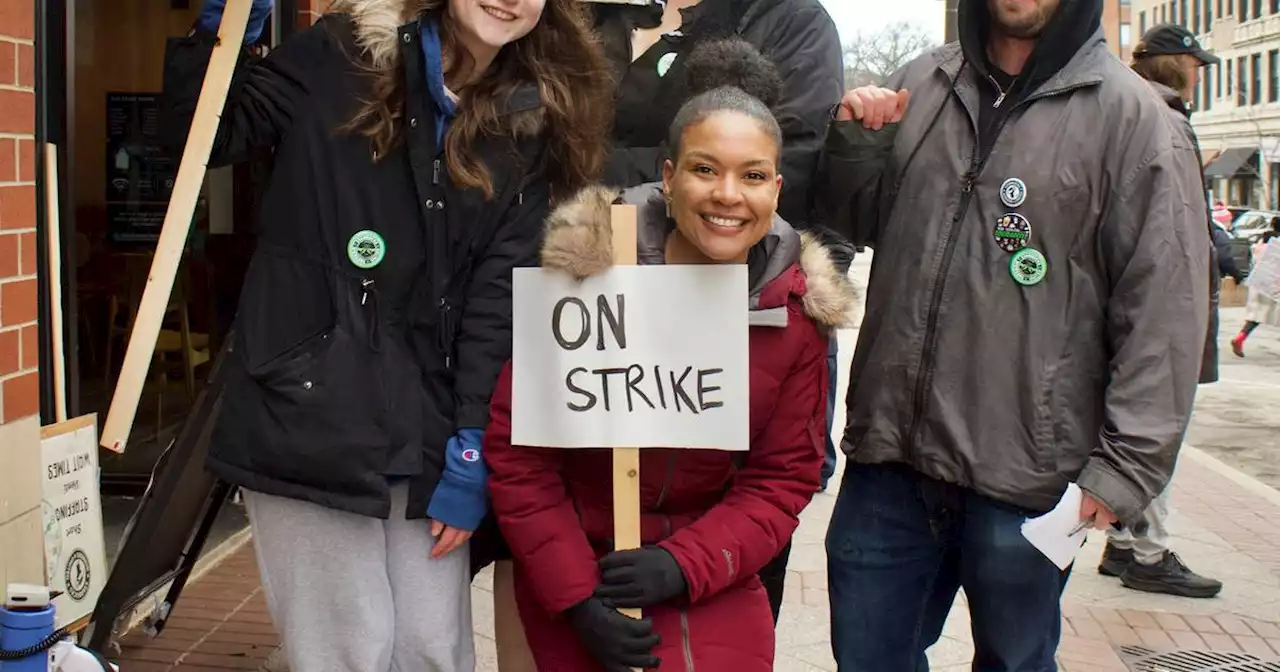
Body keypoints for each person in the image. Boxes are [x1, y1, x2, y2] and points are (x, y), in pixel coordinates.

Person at [159, 0, 612, 669]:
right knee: (348, 646)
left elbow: (498, 299)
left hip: (426, 420)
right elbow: (210, 132)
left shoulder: (530, 119)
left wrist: (471, 441)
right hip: (306, 403)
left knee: (431, 648)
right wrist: (216, 35)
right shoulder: (344, 54)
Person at [814, 0, 1210, 668]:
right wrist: (857, 147)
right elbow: (852, 225)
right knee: (866, 657)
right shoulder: (922, 82)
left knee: (1015, 662)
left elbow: (1165, 312)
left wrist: (1122, 473)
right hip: (891, 465)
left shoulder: (1135, 120)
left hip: (1027, 482)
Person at [483, 80, 858, 669]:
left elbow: (783, 478)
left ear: (777, 188)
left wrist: (684, 564)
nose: (728, 195)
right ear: (668, 176)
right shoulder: (583, 282)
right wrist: (575, 594)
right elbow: (520, 456)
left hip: (713, 576)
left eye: (753, 176)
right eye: (705, 169)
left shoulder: (795, 319)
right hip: (579, 567)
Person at [587, 0, 848, 621]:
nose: (723, 185)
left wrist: (597, 167)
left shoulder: (791, 20)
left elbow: (780, 160)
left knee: (733, 561)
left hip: (743, 319)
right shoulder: (596, 16)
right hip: (602, 305)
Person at [1089, 23, 1223, 599]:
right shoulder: (1159, 119)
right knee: (1152, 426)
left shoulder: (1124, 110)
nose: (1198, 74)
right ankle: (1148, 550)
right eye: (1195, 64)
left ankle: (1124, 543)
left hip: (1139, 309)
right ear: (1175, 66)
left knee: (1137, 421)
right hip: (1151, 312)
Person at [1232, 224, 1280, 357]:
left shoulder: (1263, 244)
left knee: (1255, 317)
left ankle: (1240, 337)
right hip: (1274, 285)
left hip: (1259, 283)